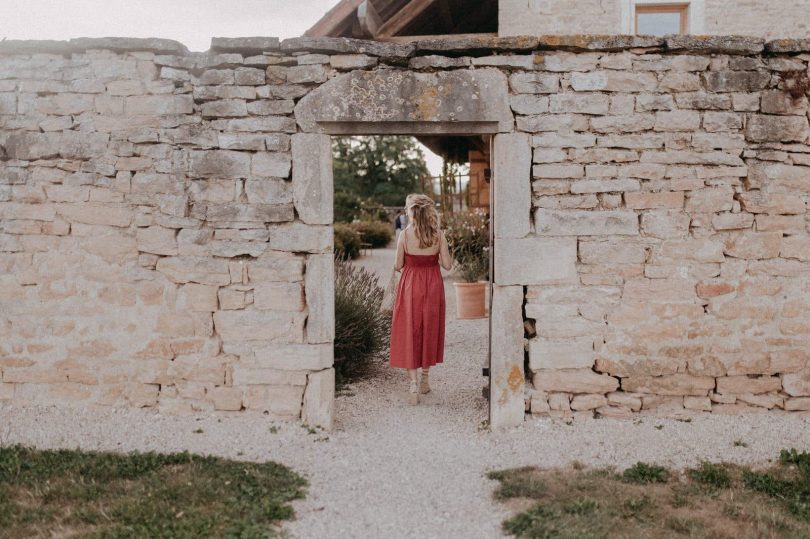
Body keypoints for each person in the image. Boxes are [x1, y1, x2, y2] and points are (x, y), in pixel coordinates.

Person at [389, 194, 453, 405]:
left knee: (410, 330)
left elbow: (398, 265)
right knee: (429, 328)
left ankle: (413, 384)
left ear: (412, 211)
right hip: (433, 285)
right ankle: (425, 378)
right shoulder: (439, 235)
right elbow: (447, 265)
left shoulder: (404, 236)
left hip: (410, 286)